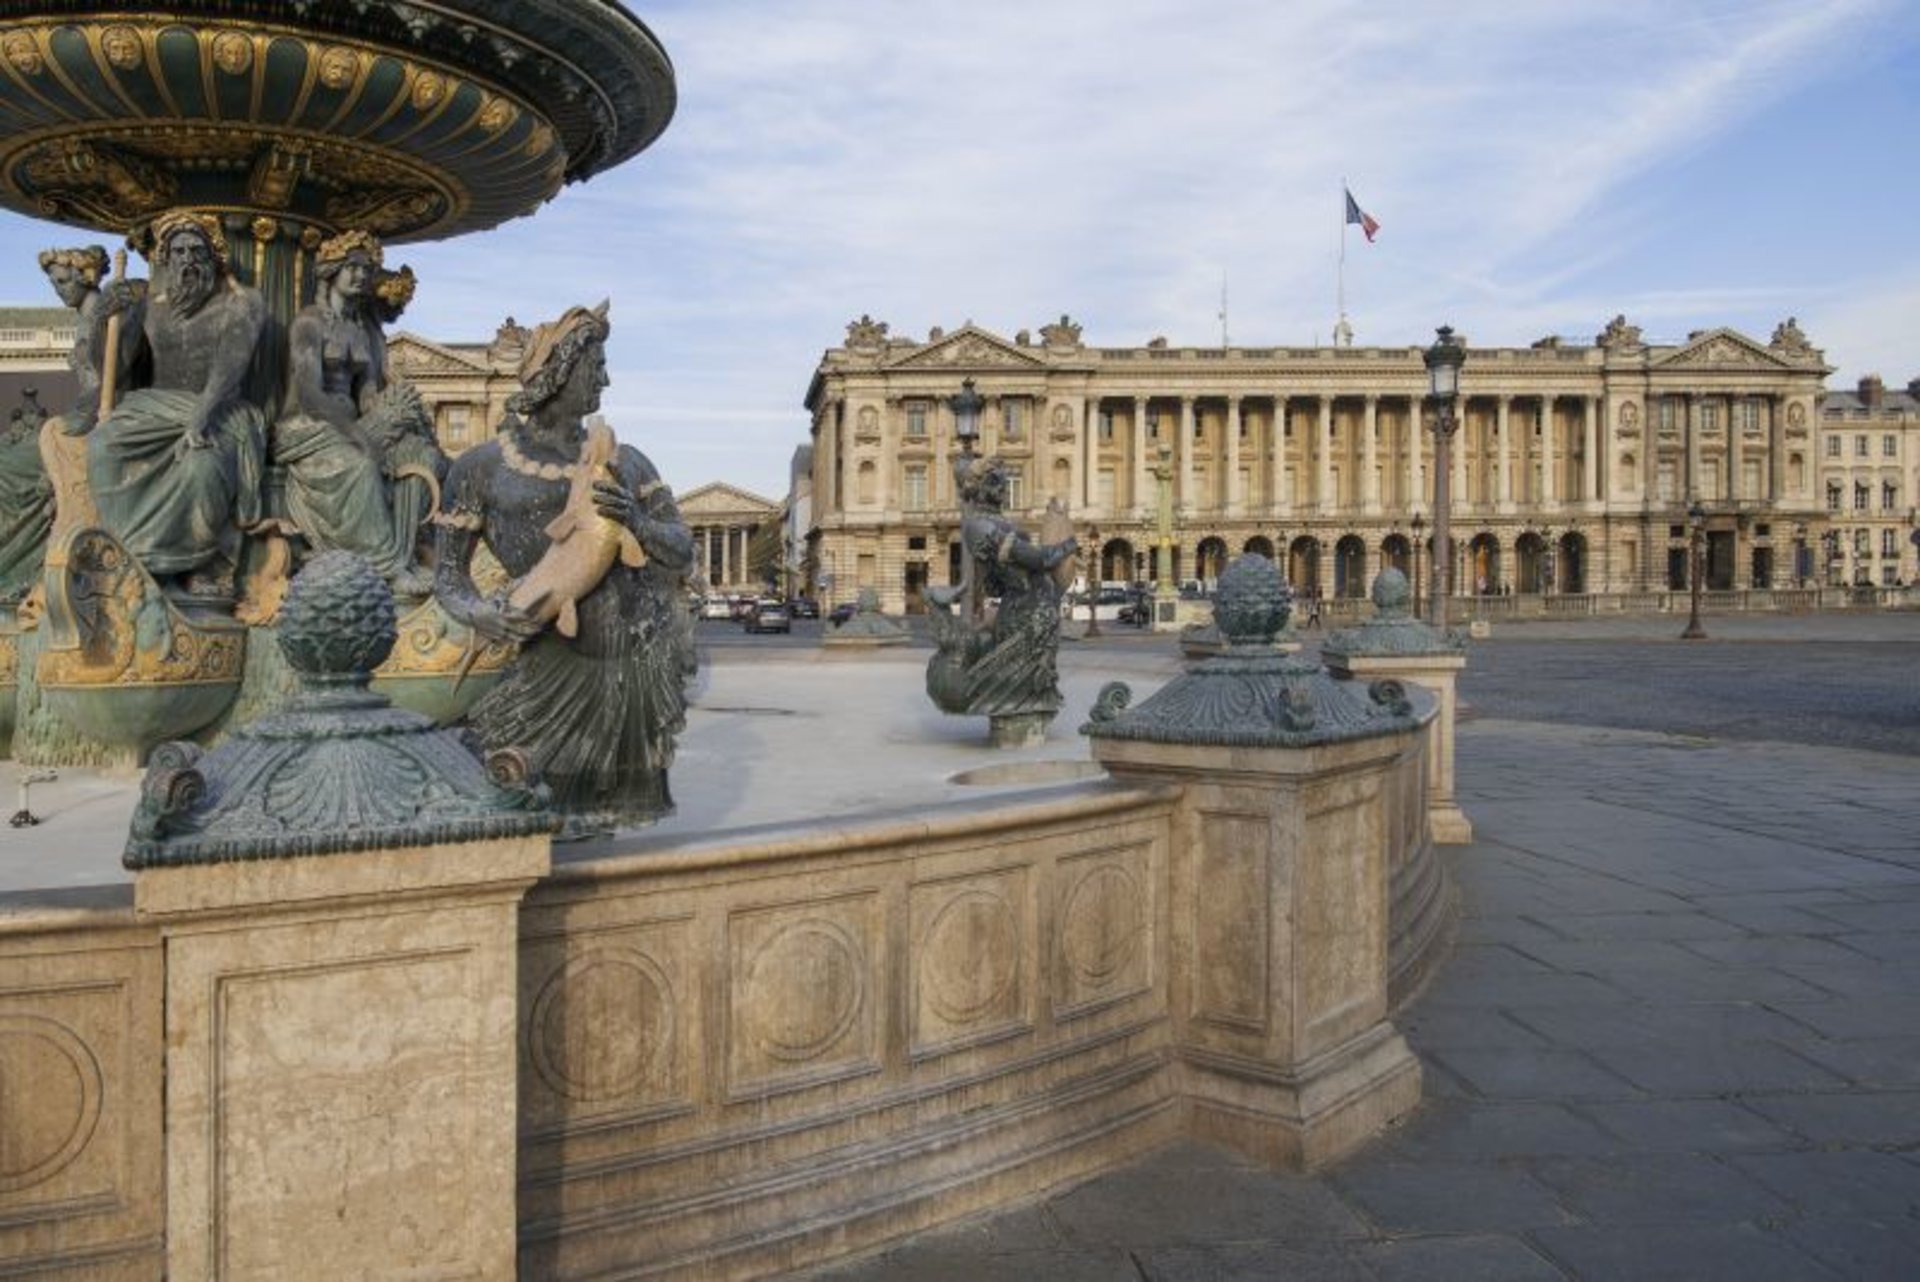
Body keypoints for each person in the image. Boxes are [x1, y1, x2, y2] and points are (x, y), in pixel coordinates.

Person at [432, 303, 695, 837]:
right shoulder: (481, 467)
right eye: (595, 367)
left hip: (629, 663)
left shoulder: (627, 461)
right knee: (529, 797)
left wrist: (640, 523)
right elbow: (448, 576)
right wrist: (479, 614)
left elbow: (681, 549)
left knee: (602, 827)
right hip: (545, 658)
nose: (606, 378)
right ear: (558, 373)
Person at [85, 210, 266, 597]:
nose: (187, 259)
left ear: (213, 257)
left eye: (196, 250)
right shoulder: (149, 307)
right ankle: (126, 552)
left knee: (201, 467)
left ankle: (194, 563)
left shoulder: (242, 302)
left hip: (217, 409)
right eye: (178, 251)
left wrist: (201, 416)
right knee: (102, 448)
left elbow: (231, 364)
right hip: (153, 406)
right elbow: (113, 370)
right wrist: (104, 319)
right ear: (165, 261)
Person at [275, 229, 442, 596]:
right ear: (331, 271)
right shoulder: (309, 323)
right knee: (361, 466)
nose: (360, 276)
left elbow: (366, 391)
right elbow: (308, 393)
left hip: (349, 424)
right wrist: (359, 433)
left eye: (366, 270)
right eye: (351, 267)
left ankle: (414, 550)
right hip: (308, 426)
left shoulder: (360, 331)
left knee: (419, 454)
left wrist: (391, 412)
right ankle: (387, 568)